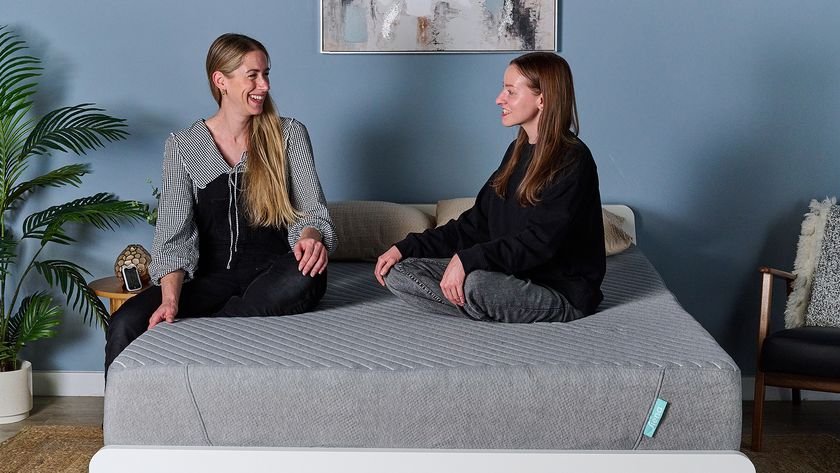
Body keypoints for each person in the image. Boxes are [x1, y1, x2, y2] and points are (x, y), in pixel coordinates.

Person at [105, 33, 336, 371]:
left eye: (266, 73)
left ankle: (206, 330)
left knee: (305, 275)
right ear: (221, 81)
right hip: (211, 279)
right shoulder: (184, 146)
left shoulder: (288, 134)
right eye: (253, 75)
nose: (265, 85)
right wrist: (171, 300)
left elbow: (311, 211)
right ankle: (116, 425)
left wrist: (311, 238)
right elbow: (173, 238)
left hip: (275, 274)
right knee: (125, 323)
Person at [374, 52, 605, 323]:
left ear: (542, 99)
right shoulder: (516, 152)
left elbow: (540, 243)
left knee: (477, 284)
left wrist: (469, 260)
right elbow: (475, 225)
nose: (499, 99)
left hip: (559, 290)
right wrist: (405, 247)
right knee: (400, 271)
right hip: (511, 276)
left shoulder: (573, 159)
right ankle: (480, 304)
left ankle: (476, 300)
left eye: (510, 92)